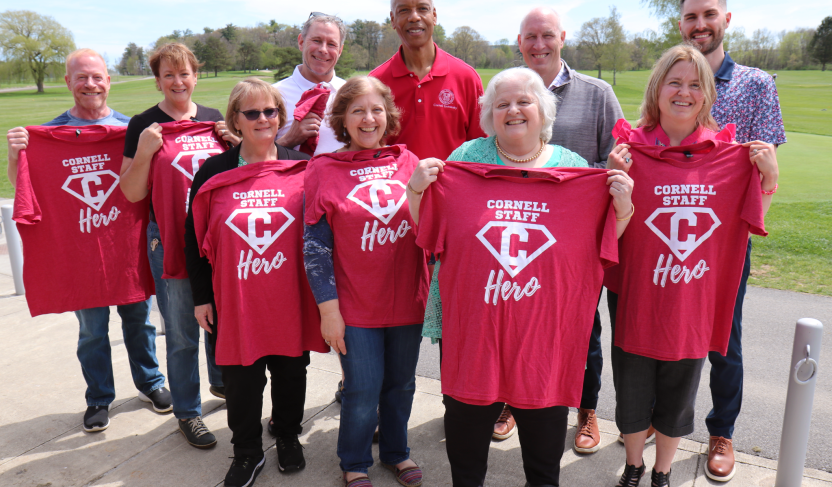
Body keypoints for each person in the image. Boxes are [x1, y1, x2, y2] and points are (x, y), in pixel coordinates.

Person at [408, 67, 634, 487]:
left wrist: (622, 209)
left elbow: (598, 246)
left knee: (544, 451)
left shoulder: (576, 171)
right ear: (489, 113)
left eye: (524, 101)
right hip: (474, 326)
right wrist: (416, 191)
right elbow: (430, 233)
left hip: (544, 329)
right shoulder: (462, 163)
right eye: (502, 103)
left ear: (543, 109)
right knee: (466, 436)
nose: (513, 110)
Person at [607, 45, 778, 487]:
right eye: (674, 82)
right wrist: (615, 191)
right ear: (657, 88)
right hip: (638, 302)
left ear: (706, 95)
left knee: (678, 400)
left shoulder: (727, 156)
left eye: (695, 84)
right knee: (631, 397)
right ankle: (633, 467)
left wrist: (769, 181)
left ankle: (662, 473)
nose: (684, 92)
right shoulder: (629, 152)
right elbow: (606, 237)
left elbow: (749, 222)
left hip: (691, 305)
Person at [5, 48, 171, 432]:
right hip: (81, 253)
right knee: (92, 330)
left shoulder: (134, 130)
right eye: (81, 77)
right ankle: (99, 397)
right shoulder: (51, 135)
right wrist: (17, 157)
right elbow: (28, 192)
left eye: (97, 76)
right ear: (68, 82)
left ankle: (151, 383)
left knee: (140, 322)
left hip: (126, 247)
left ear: (108, 81)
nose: (90, 84)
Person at [184, 78, 324, 487]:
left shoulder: (301, 164)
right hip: (237, 298)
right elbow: (194, 239)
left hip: (289, 296)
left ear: (281, 116)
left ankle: (286, 434)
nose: (263, 119)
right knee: (242, 380)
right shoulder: (213, 171)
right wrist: (201, 297)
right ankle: (246, 451)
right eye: (253, 113)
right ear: (236, 121)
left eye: (271, 111)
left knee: (291, 371)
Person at [678, 0, 787, 482]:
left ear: (726, 19)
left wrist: (765, 169)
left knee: (725, 339)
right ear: (681, 25)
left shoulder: (756, 83)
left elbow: (767, 173)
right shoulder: (673, 76)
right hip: (670, 227)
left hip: (726, 239)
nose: (700, 25)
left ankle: (722, 430)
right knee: (670, 329)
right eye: (691, 17)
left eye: (708, 15)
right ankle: (664, 423)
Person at [303, 76, 429, 487]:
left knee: (401, 385)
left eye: (376, 109)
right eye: (357, 110)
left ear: (388, 115)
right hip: (355, 307)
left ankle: (396, 452)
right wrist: (329, 311)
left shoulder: (409, 163)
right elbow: (315, 247)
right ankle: (354, 460)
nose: (368, 119)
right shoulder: (322, 169)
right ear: (342, 119)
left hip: (407, 301)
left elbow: (433, 224)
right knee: (361, 389)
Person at [516, 6, 627, 450]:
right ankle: (513, 401)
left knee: (583, 326)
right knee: (520, 318)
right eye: (530, 37)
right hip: (519, 232)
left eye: (547, 35)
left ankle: (585, 409)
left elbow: (620, 155)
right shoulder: (509, 90)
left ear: (562, 37)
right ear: (519, 43)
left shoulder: (597, 93)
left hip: (579, 237)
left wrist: (570, 184)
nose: (539, 45)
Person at [119, 43, 237, 448]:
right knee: (184, 330)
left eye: (184, 73)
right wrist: (144, 154)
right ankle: (188, 412)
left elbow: (234, 175)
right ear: (157, 80)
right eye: (168, 75)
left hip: (215, 238)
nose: (177, 81)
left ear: (195, 76)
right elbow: (131, 193)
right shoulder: (144, 125)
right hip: (168, 236)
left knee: (219, 317)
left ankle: (221, 382)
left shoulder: (213, 119)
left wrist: (233, 141)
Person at [370, 0, 486, 161]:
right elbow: (368, 150)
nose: (414, 17)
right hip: (398, 188)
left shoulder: (467, 78)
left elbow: (482, 149)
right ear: (393, 19)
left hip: (454, 188)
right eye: (404, 10)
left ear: (434, 16)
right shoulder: (375, 83)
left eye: (422, 9)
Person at [274, 12, 348, 155]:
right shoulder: (273, 95)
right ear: (301, 42)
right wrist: (289, 140)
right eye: (317, 40)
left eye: (331, 44)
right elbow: (251, 160)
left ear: (340, 50)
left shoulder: (352, 94)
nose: (323, 50)